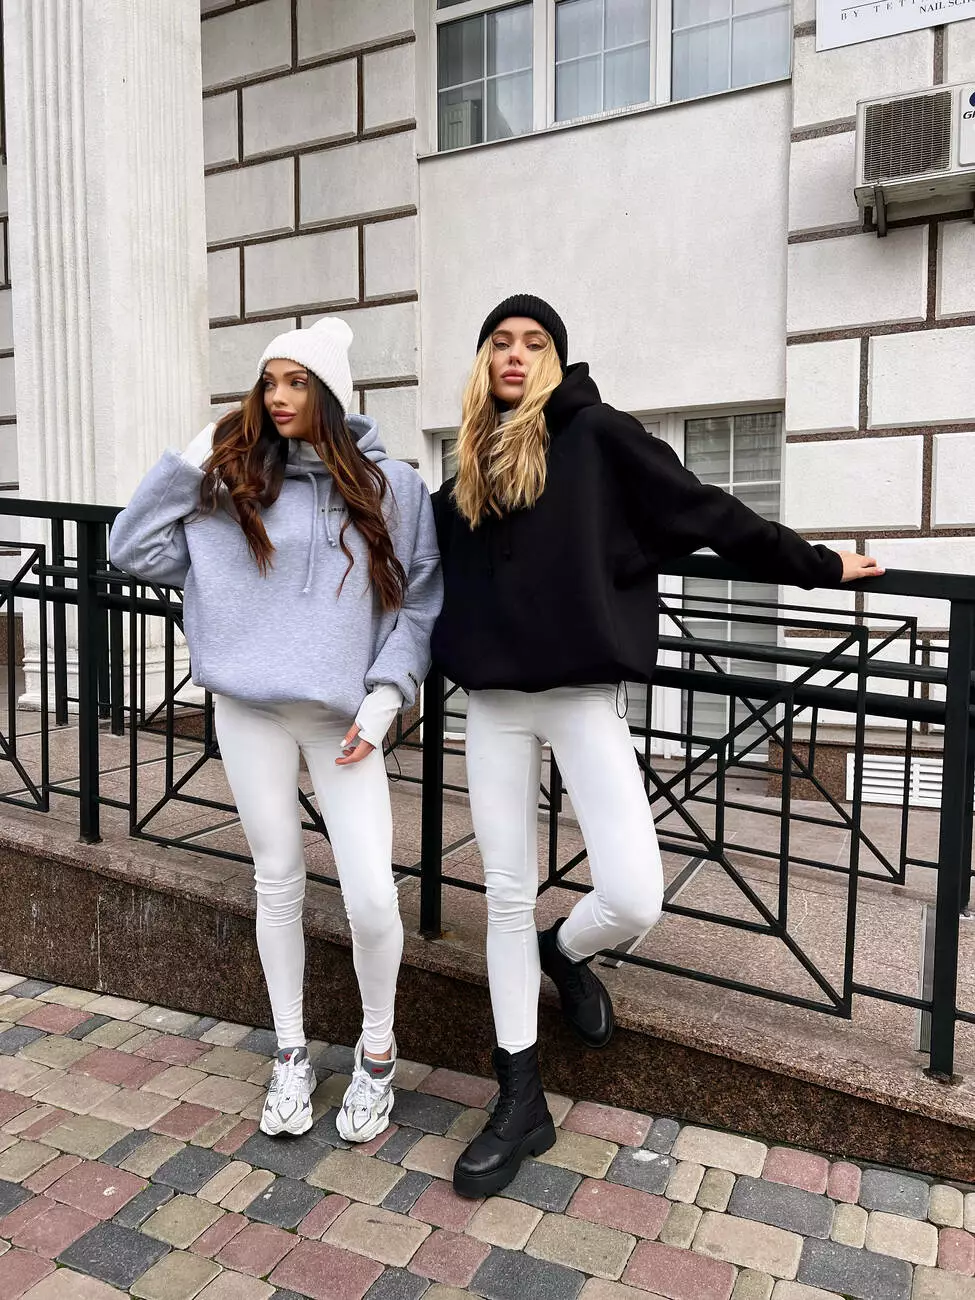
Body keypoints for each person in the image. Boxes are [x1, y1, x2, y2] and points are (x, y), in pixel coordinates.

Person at [431, 294, 883, 1198]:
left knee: (634, 893)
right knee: (504, 894)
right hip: (491, 707)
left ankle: (567, 950)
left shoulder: (597, 436)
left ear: (555, 357)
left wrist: (817, 565)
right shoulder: (465, 469)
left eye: (533, 342)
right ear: (482, 361)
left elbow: (703, 512)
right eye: (499, 342)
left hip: (581, 696)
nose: (515, 354)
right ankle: (519, 1098)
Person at [110, 318, 442, 1142]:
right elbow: (131, 547)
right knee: (277, 879)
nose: (280, 396)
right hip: (247, 708)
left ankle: (376, 1052)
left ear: (330, 393)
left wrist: (386, 695)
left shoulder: (392, 484)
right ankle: (290, 1052)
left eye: (297, 382)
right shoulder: (234, 483)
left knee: (371, 895)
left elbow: (418, 598)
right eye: (269, 382)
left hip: (344, 720)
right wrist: (194, 455)